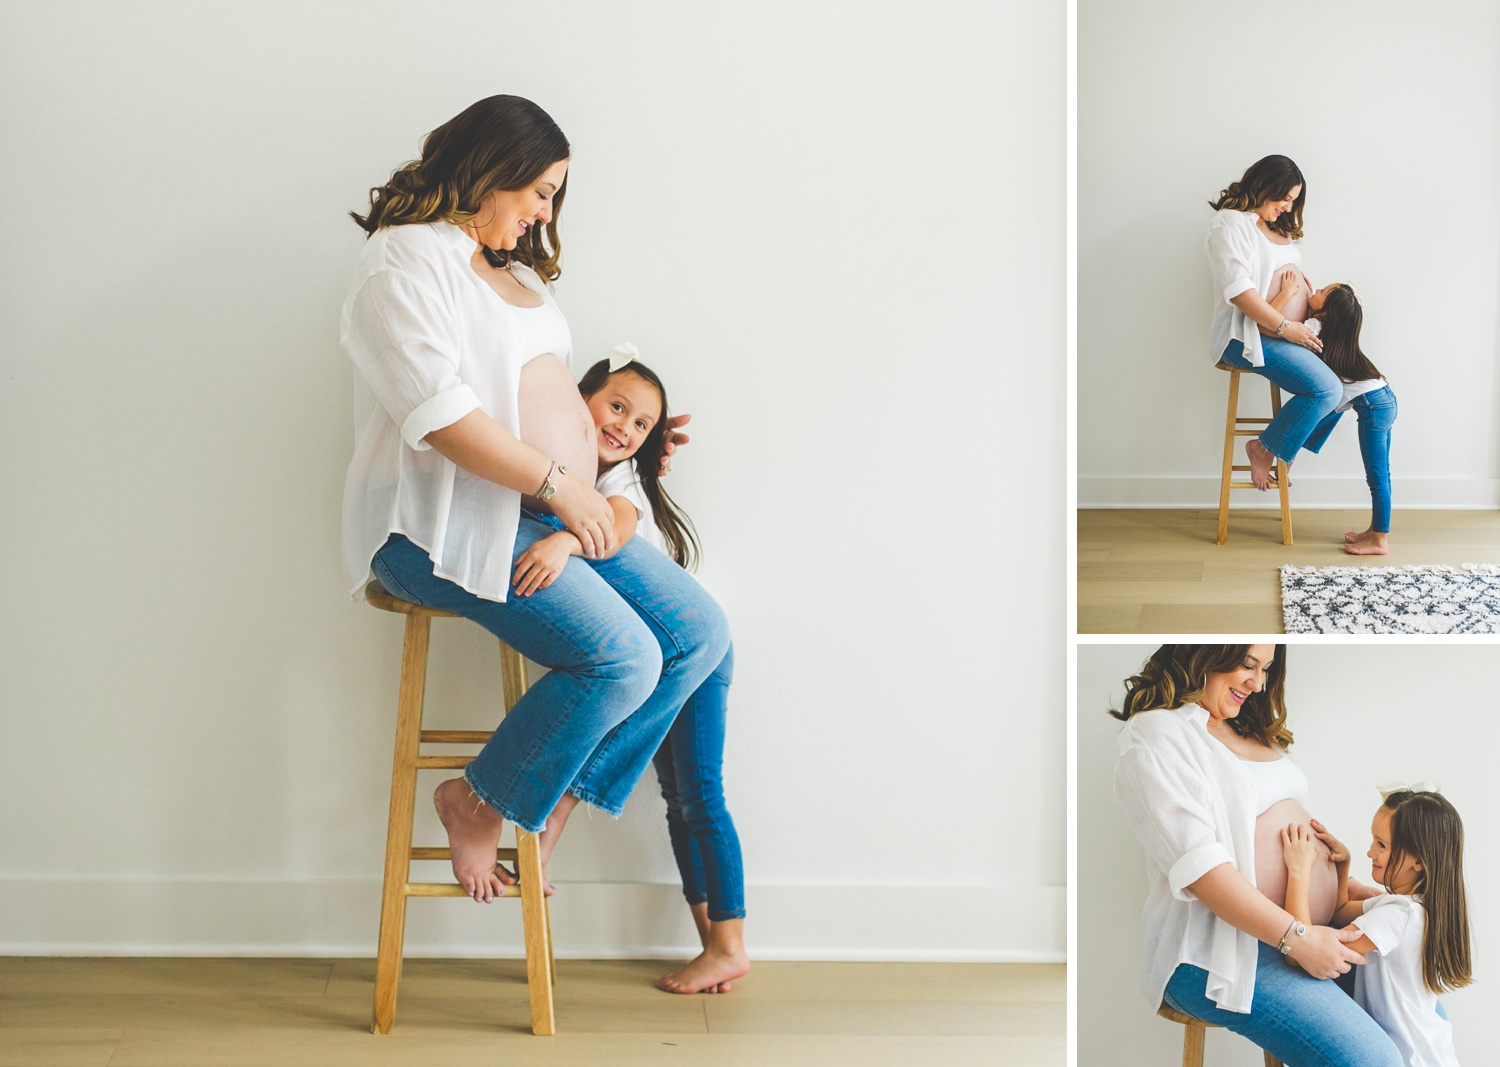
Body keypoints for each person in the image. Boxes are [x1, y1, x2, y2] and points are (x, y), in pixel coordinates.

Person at [341, 96, 729, 904]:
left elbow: (546, 398)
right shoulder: (406, 260)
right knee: (625, 657)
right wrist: (558, 479)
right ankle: (479, 798)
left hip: (546, 510)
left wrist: (623, 440)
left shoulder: (517, 274)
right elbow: (441, 415)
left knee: (699, 632)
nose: (547, 213)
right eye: (542, 191)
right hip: (439, 525)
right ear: (493, 167)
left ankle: (543, 802)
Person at [511, 349, 750, 995]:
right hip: (676, 653)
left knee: (699, 792)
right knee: (682, 797)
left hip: (697, 653)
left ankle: (728, 942)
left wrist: (563, 539)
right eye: (617, 407)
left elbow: (613, 527)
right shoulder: (568, 467)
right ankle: (717, 945)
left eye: (642, 423)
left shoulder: (619, 485)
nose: (625, 427)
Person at [1111, 645, 1402, 1065]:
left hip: (1303, 933)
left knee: (1421, 1023)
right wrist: (1297, 938)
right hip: (1222, 952)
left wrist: (1347, 883)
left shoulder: (1246, 727)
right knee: (1375, 1062)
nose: (1258, 682)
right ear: (1202, 654)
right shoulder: (1156, 733)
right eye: (1247, 665)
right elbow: (1200, 869)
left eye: (1265, 669)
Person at [1281, 788, 1470, 1066]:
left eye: (1382, 845)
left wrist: (1298, 872)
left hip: (1413, 1059)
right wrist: (1343, 865)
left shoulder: (1398, 915)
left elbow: (1305, 953)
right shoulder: (1410, 905)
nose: (1370, 851)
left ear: (1419, 860)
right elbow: (1341, 911)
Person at [1205, 154, 1343, 492]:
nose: (1287, 206)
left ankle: (1287, 445)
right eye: (1284, 197)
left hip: (1285, 334)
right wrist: (1286, 326)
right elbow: (1239, 292)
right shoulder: (1232, 223)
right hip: (1248, 337)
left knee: (1348, 383)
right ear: (1265, 185)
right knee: (1327, 389)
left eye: (1293, 201)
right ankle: (1267, 448)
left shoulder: (1277, 227)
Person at [1266, 279, 1396, 555]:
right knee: (1379, 473)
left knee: (1377, 476)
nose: (1317, 288)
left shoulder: (1315, 328)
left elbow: (1269, 326)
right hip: (1382, 397)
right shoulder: (1334, 333)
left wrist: (1288, 292)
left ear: (1325, 312)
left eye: (1323, 291)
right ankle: (1376, 532)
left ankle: (1380, 540)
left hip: (1372, 405)